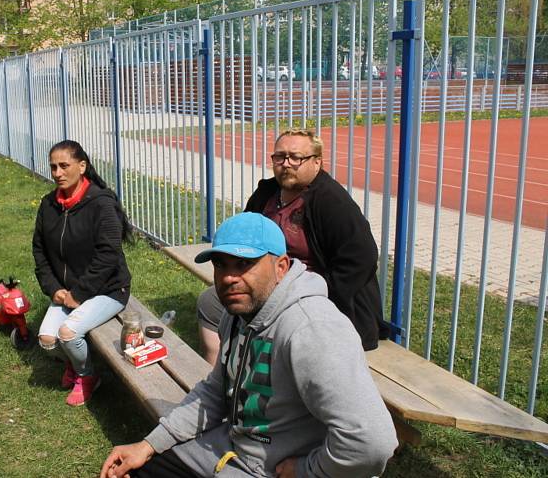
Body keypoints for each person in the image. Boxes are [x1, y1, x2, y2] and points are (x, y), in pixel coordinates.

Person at [101, 213, 397, 478]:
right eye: (221, 265)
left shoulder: (312, 329)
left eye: (244, 264)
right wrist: (149, 444)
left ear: (281, 267)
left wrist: (308, 470)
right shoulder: (238, 312)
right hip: (232, 447)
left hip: (278, 468)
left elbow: (371, 441)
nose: (229, 278)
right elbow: (215, 391)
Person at [197, 129, 388, 365]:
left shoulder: (332, 202)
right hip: (268, 283)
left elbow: (363, 257)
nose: (286, 164)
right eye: (280, 157)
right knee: (211, 301)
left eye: (296, 157)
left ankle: (255, 371)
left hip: (313, 296)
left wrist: (321, 295)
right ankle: (219, 371)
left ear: (316, 161)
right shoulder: (267, 193)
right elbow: (244, 236)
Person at [33, 140, 132, 406]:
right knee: (46, 340)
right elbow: (39, 252)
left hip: (109, 289)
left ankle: (87, 376)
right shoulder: (48, 205)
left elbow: (108, 256)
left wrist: (79, 293)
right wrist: (54, 288)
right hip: (66, 292)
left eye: (64, 166)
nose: (57, 173)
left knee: (68, 333)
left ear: (82, 166)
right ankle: (75, 364)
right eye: (53, 167)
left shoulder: (101, 204)